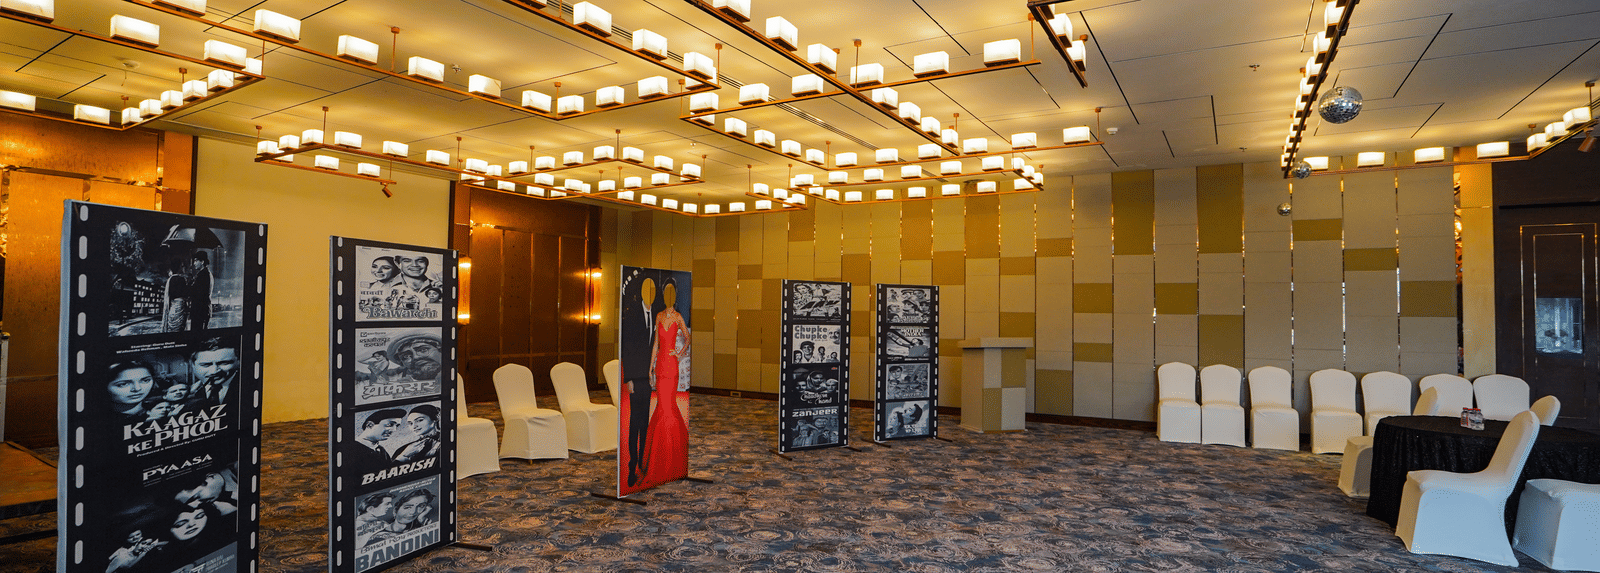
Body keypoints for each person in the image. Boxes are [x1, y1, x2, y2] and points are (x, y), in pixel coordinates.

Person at [641, 278, 689, 485]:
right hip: (660, 363)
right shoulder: (659, 315)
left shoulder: (678, 317)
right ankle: (659, 455)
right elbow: (655, 345)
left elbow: (688, 338)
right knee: (662, 406)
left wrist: (678, 354)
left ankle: (671, 456)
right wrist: (650, 366)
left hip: (672, 364)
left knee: (668, 407)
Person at [625, 277, 656, 487]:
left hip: (650, 377)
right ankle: (632, 464)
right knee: (634, 424)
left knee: (645, 423)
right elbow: (627, 347)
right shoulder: (633, 315)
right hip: (636, 377)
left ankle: (643, 464)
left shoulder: (659, 313)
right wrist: (628, 378)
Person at [365, 489, 435, 548]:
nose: (413, 512)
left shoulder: (421, 523)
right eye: (407, 507)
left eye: (421, 506)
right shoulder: (377, 538)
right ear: (395, 510)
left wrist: (422, 519)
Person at [351, 409, 404, 474]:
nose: (394, 430)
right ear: (370, 425)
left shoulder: (381, 450)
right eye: (390, 424)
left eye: (397, 426)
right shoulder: (352, 449)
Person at [188, 339, 238, 408]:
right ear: (193, 366)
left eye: (224, 363)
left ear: (238, 362)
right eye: (206, 365)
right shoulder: (190, 393)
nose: (214, 371)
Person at [161, 258, 189, 333]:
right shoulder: (181, 279)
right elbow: (186, 294)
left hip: (172, 310)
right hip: (180, 310)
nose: (184, 267)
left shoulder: (171, 279)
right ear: (178, 267)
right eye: (182, 266)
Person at [188, 251, 213, 330]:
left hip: (199, 311)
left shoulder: (203, 275)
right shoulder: (204, 274)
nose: (194, 263)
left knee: (196, 335)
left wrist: (189, 285)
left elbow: (198, 294)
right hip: (201, 311)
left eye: (196, 261)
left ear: (202, 261)